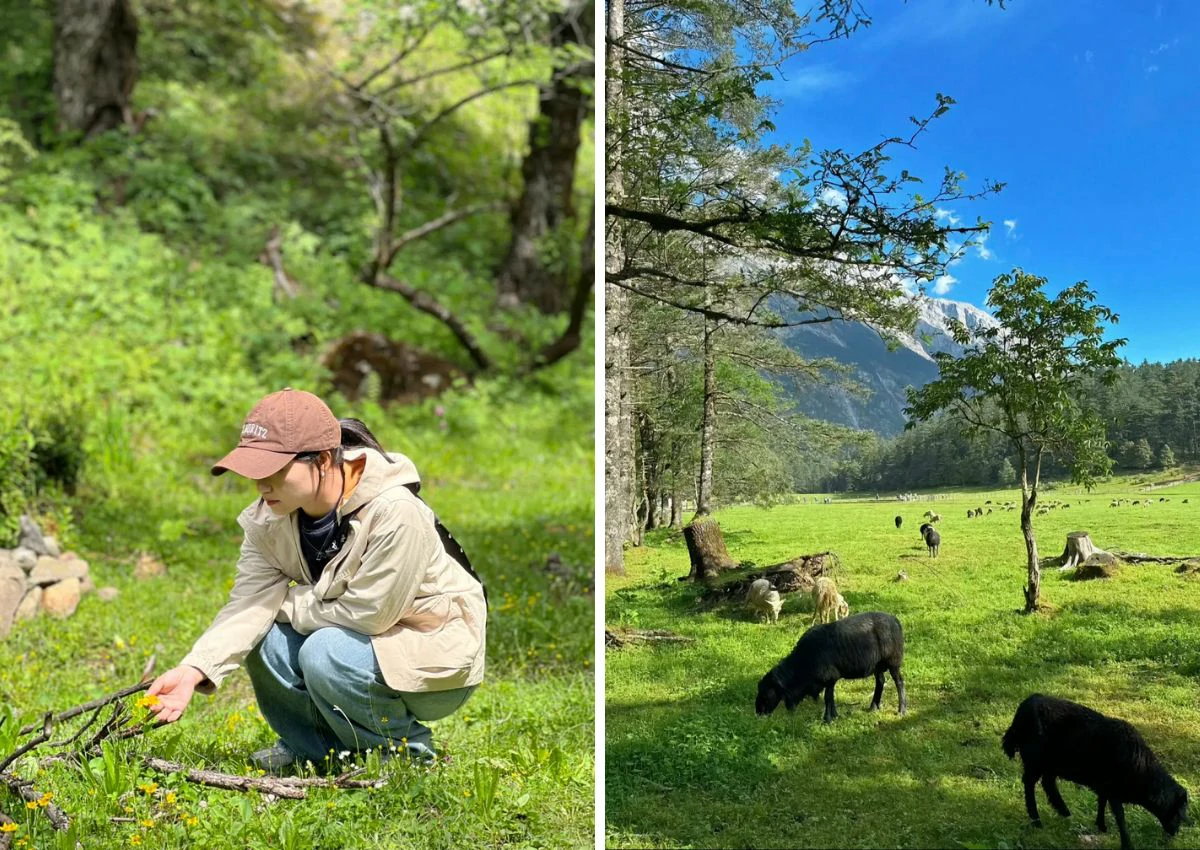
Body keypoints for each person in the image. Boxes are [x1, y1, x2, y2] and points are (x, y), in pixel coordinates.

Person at [146, 388, 486, 772]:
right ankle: (315, 749)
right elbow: (247, 606)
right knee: (263, 637)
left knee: (323, 649)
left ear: (323, 460)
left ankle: (407, 754)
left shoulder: (396, 511)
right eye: (254, 470)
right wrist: (194, 670)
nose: (261, 484)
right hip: (358, 646)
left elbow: (367, 615)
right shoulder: (268, 520)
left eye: (274, 470)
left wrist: (283, 604)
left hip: (434, 661)